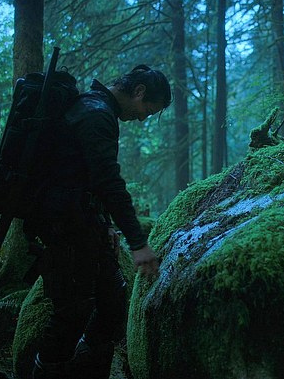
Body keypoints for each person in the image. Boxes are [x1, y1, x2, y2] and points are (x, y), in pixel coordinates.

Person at [25, 65, 169, 379]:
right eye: (147, 110)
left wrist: (105, 224)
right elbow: (108, 182)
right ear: (139, 91)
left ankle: (85, 368)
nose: (143, 118)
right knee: (71, 312)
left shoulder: (95, 108)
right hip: (65, 226)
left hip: (83, 223)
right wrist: (138, 243)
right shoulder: (96, 114)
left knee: (113, 298)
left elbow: (84, 176)